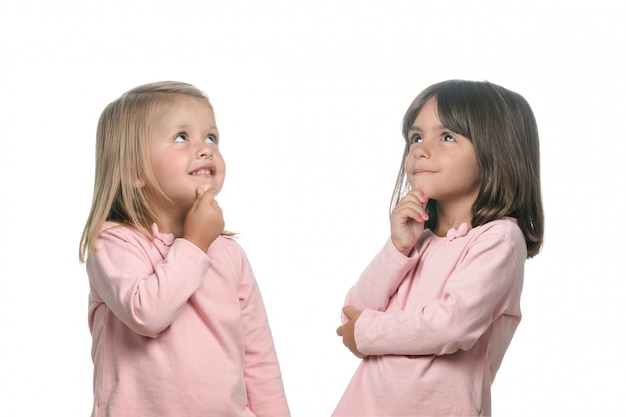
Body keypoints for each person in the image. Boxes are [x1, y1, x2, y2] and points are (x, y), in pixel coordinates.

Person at [79, 81, 291, 417]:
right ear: (135, 170)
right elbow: (147, 314)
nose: (206, 149)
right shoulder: (113, 242)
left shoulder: (229, 254)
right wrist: (194, 242)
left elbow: (258, 358)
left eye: (212, 137)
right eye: (182, 137)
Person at [334, 80, 544, 416]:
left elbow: (450, 324)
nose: (419, 149)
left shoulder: (498, 239)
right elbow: (351, 314)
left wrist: (367, 331)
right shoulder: (418, 242)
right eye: (415, 137)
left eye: (446, 137)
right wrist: (397, 248)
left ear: (497, 151)